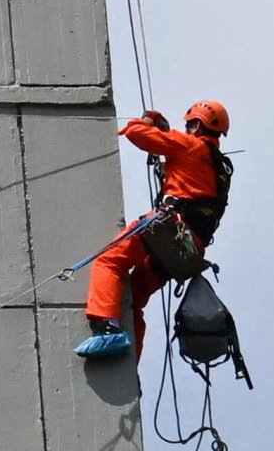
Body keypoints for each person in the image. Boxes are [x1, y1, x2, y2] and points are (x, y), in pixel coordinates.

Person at [77, 99, 231, 361]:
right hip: (189, 249)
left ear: (195, 125)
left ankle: (106, 328)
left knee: (110, 260)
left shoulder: (191, 146)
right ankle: (130, 363)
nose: (185, 130)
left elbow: (136, 133)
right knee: (134, 300)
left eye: (188, 125)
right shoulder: (219, 165)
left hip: (170, 228)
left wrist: (148, 120)